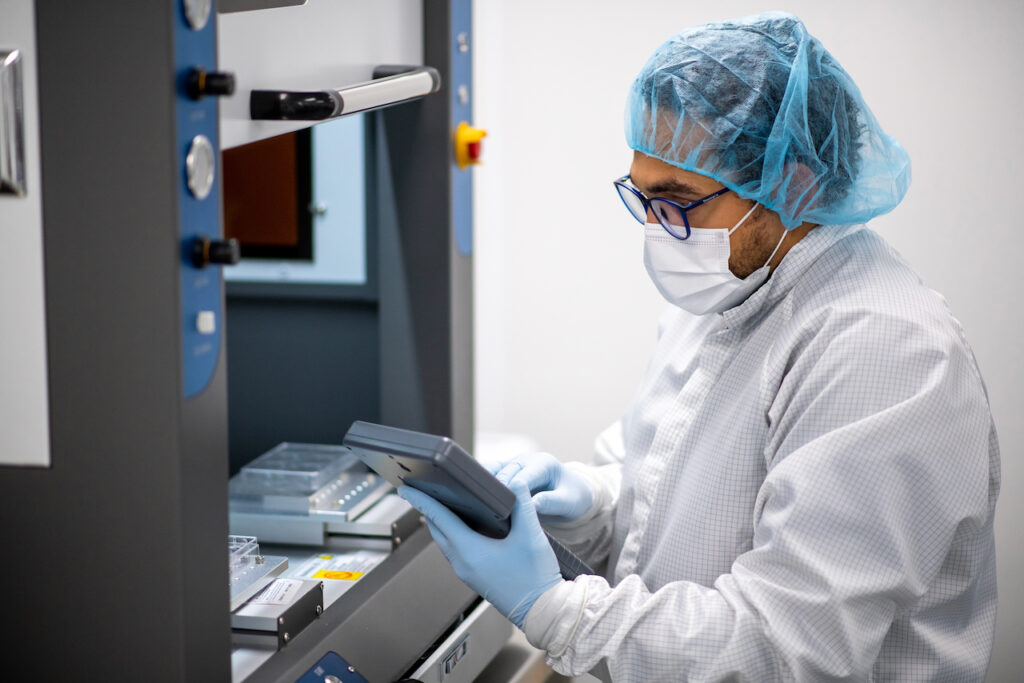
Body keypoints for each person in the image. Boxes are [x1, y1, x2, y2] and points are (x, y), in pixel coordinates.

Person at [399, 11, 1000, 681]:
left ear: (793, 183)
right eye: (644, 196)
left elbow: (784, 651)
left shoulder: (883, 350)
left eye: (678, 200)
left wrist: (555, 609)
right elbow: (664, 483)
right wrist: (593, 502)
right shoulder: (730, 281)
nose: (658, 229)